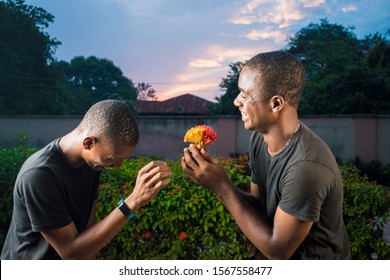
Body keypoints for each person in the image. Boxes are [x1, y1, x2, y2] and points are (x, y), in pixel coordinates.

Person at [181, 51, 350, 259]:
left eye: (245, 95)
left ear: (276, 104)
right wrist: (215, 178)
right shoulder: (259, 140)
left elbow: (278, 250)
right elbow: (259, 207)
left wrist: (222, 186)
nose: (236, 101)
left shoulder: (305, 167)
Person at [1, 100, 172, 259]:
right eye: (113, 158)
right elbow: (70, 253)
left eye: (122, 159)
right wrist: (132, 202)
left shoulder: (93, 164)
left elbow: (87, 235)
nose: (117, 165)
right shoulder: (39, 175)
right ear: (89, 143)